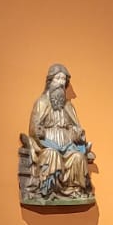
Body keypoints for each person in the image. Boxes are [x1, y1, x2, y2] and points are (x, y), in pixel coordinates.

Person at [22, 63, 93, 201]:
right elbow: (33, 129)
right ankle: (48, 190)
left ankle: (74, 191)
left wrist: (77, 134)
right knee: (52, 154)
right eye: (58, 78)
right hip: (47, 144)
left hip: (67, 147)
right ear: (50, 81)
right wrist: (40, 133)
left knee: (78, 157)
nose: (61, 83)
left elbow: (75, 127)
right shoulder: (41, 103)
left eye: (63, 79)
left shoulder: (69, 107)